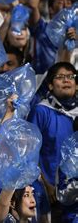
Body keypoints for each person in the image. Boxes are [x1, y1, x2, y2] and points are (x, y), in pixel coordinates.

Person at [28, 62, 77, 222]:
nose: (66, 80)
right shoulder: (41, 111)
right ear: (50, 85)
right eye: (60, 77)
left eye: (70, 77)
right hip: (49, 193)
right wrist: (46, 185)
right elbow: (30, 152)